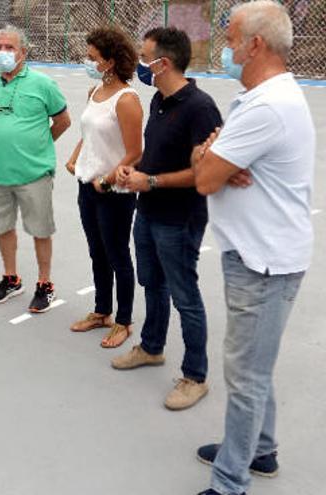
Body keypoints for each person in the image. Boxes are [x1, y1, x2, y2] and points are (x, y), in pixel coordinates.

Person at [191, 2, 315, 494]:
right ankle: (259, 450)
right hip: (257, 255)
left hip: (264, 263)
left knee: (245, 377)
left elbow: (203, 179)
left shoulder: (267, 106)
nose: (226, 47)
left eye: (231, 37)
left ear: (255, 45)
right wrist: (212, 155)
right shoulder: (264, 97)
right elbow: (210, 163)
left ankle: (230, 481)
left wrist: (211, 158)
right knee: (255, 366)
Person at [111, 27, 222, 411]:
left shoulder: (200, 108)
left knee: (184, 296)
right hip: (149, 211)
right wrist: (133, 171)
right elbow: (154, 154)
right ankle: (152, 346)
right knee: (152, 284)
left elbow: (205, 173)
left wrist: (152, 180)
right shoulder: (159, 100)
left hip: (180, 218)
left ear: (164, 63)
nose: (141, 64)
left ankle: (195, 376)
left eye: (145, 58)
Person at [0, 24, 71, 313]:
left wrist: (39, 146)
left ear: (23, 52)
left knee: (40, 230)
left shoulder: (43, 84)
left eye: (10, 48)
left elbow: (63, 121)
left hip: (34, 174)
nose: (3, 53)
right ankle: (11, 279)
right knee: (4, 228)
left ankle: (45, 284)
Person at [64, 26, 142, 348]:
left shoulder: (127, 100)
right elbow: (89, 134)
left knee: (117, 255)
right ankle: (101, 312)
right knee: (97, 252)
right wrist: (74, 158)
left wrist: (107, 180)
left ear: (109, 61)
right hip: (87, 186)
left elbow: (135, 152)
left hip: (115, 193)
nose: (88, 61)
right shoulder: (94, 92)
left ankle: (123, 321)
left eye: (92, 57)